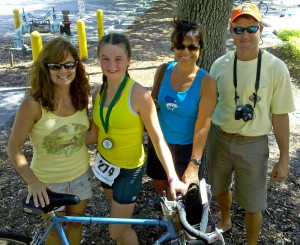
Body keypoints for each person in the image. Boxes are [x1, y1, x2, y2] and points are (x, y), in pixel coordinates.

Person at [85, 33, 188, 245]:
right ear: (99, 59)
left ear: (129, 60)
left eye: (118, 59)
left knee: (115, 231)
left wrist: (172, 177)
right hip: (105, 164)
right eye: (105, 58)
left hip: (129, 170)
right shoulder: (98, 92)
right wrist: (61, 141)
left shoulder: (139, 95)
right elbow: (95, 134)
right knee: (121, 224)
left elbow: (158, 139)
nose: (111, 65)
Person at [207, 3, 295, 244]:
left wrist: (284, 157)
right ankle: (226, 220)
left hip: (254, 144)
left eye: (251, 28)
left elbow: (280, 115)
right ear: (230, 31)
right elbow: (208, 106)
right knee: (219, 187)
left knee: (254, 202)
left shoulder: (276, 68)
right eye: (239, 30)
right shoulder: (219, 65)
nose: (245, 35)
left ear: (261, 29)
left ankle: (252, 242)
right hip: (220, 137)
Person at [7, 37, 92, 245]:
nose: (63, 71)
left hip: (81, 175)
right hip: (48, 182)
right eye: (56, 66)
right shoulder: (33, 104)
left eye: (69, 64)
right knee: (54, 229)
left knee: (76, 224)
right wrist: (33, 182)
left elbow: (86, 135)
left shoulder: (81, 95)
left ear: (76, 65)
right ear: (46, 68)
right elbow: (13, 148)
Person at [146, 19, 217, 197]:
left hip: (186, 149)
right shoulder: (163, 70)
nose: (185, 52)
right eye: (180, 46)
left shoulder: (206, 83)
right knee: (162, 189)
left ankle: (179, 224)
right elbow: (153, 104)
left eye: (192, 47)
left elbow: (203, 126)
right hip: (159, 144)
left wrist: (194, 163)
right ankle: (170, 221)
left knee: (182, 196)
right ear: (173, 47)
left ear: (200, 49)